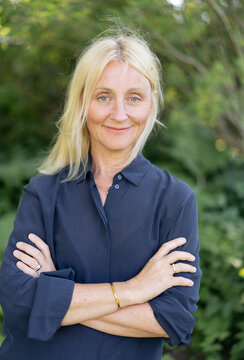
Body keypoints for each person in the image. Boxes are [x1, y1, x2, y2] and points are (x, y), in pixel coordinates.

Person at [0, 28, 201, 360]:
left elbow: (174, 320)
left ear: (151, 104)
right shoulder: (42, 193)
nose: (119, 114)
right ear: (82, 103)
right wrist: (135, 290)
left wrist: (54, 293)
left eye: (134, 97)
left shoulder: (175, 200)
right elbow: (19, 302)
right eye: (103, 96)